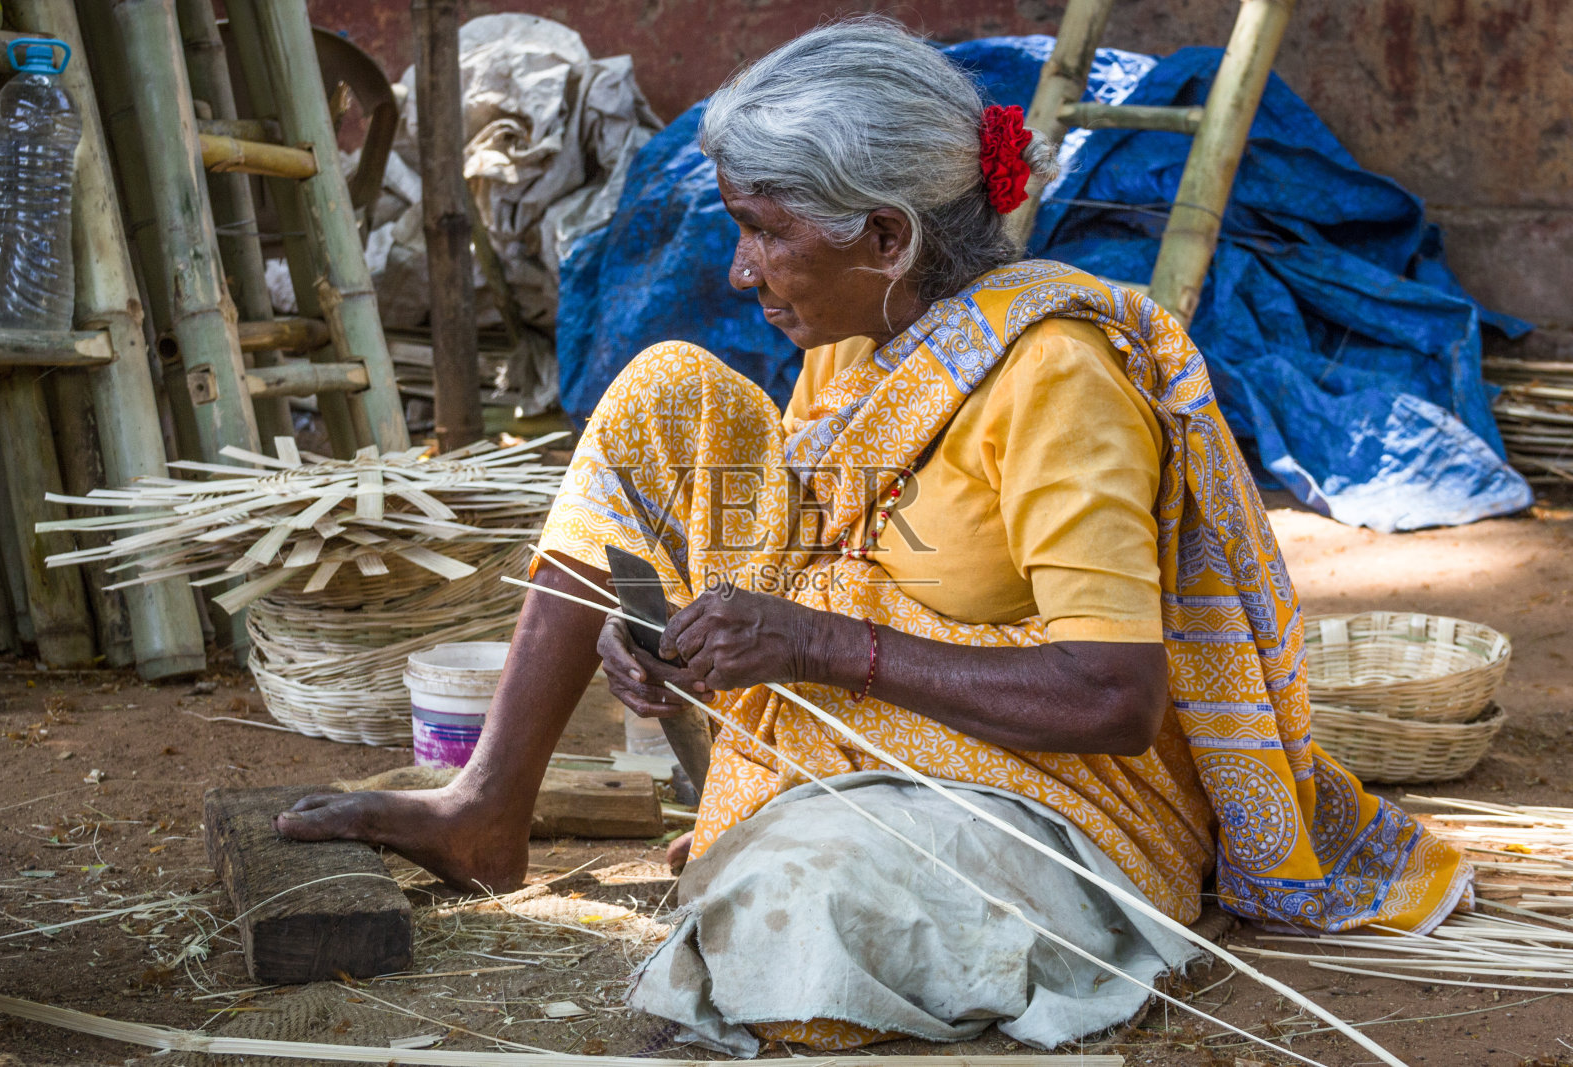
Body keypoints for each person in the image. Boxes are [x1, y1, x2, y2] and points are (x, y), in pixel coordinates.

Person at [278, 18, 1472, 1053]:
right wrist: (670, 638)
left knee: (796, 917)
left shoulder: (1058, 380)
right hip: (857, 739)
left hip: (1053, 797)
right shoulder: (861, 347)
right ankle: (487, 805)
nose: (740, 270)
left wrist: (812, 644)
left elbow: (1116, 696)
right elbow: (813, 566)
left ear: (888, 239)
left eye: (763, 230)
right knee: (661, 388)